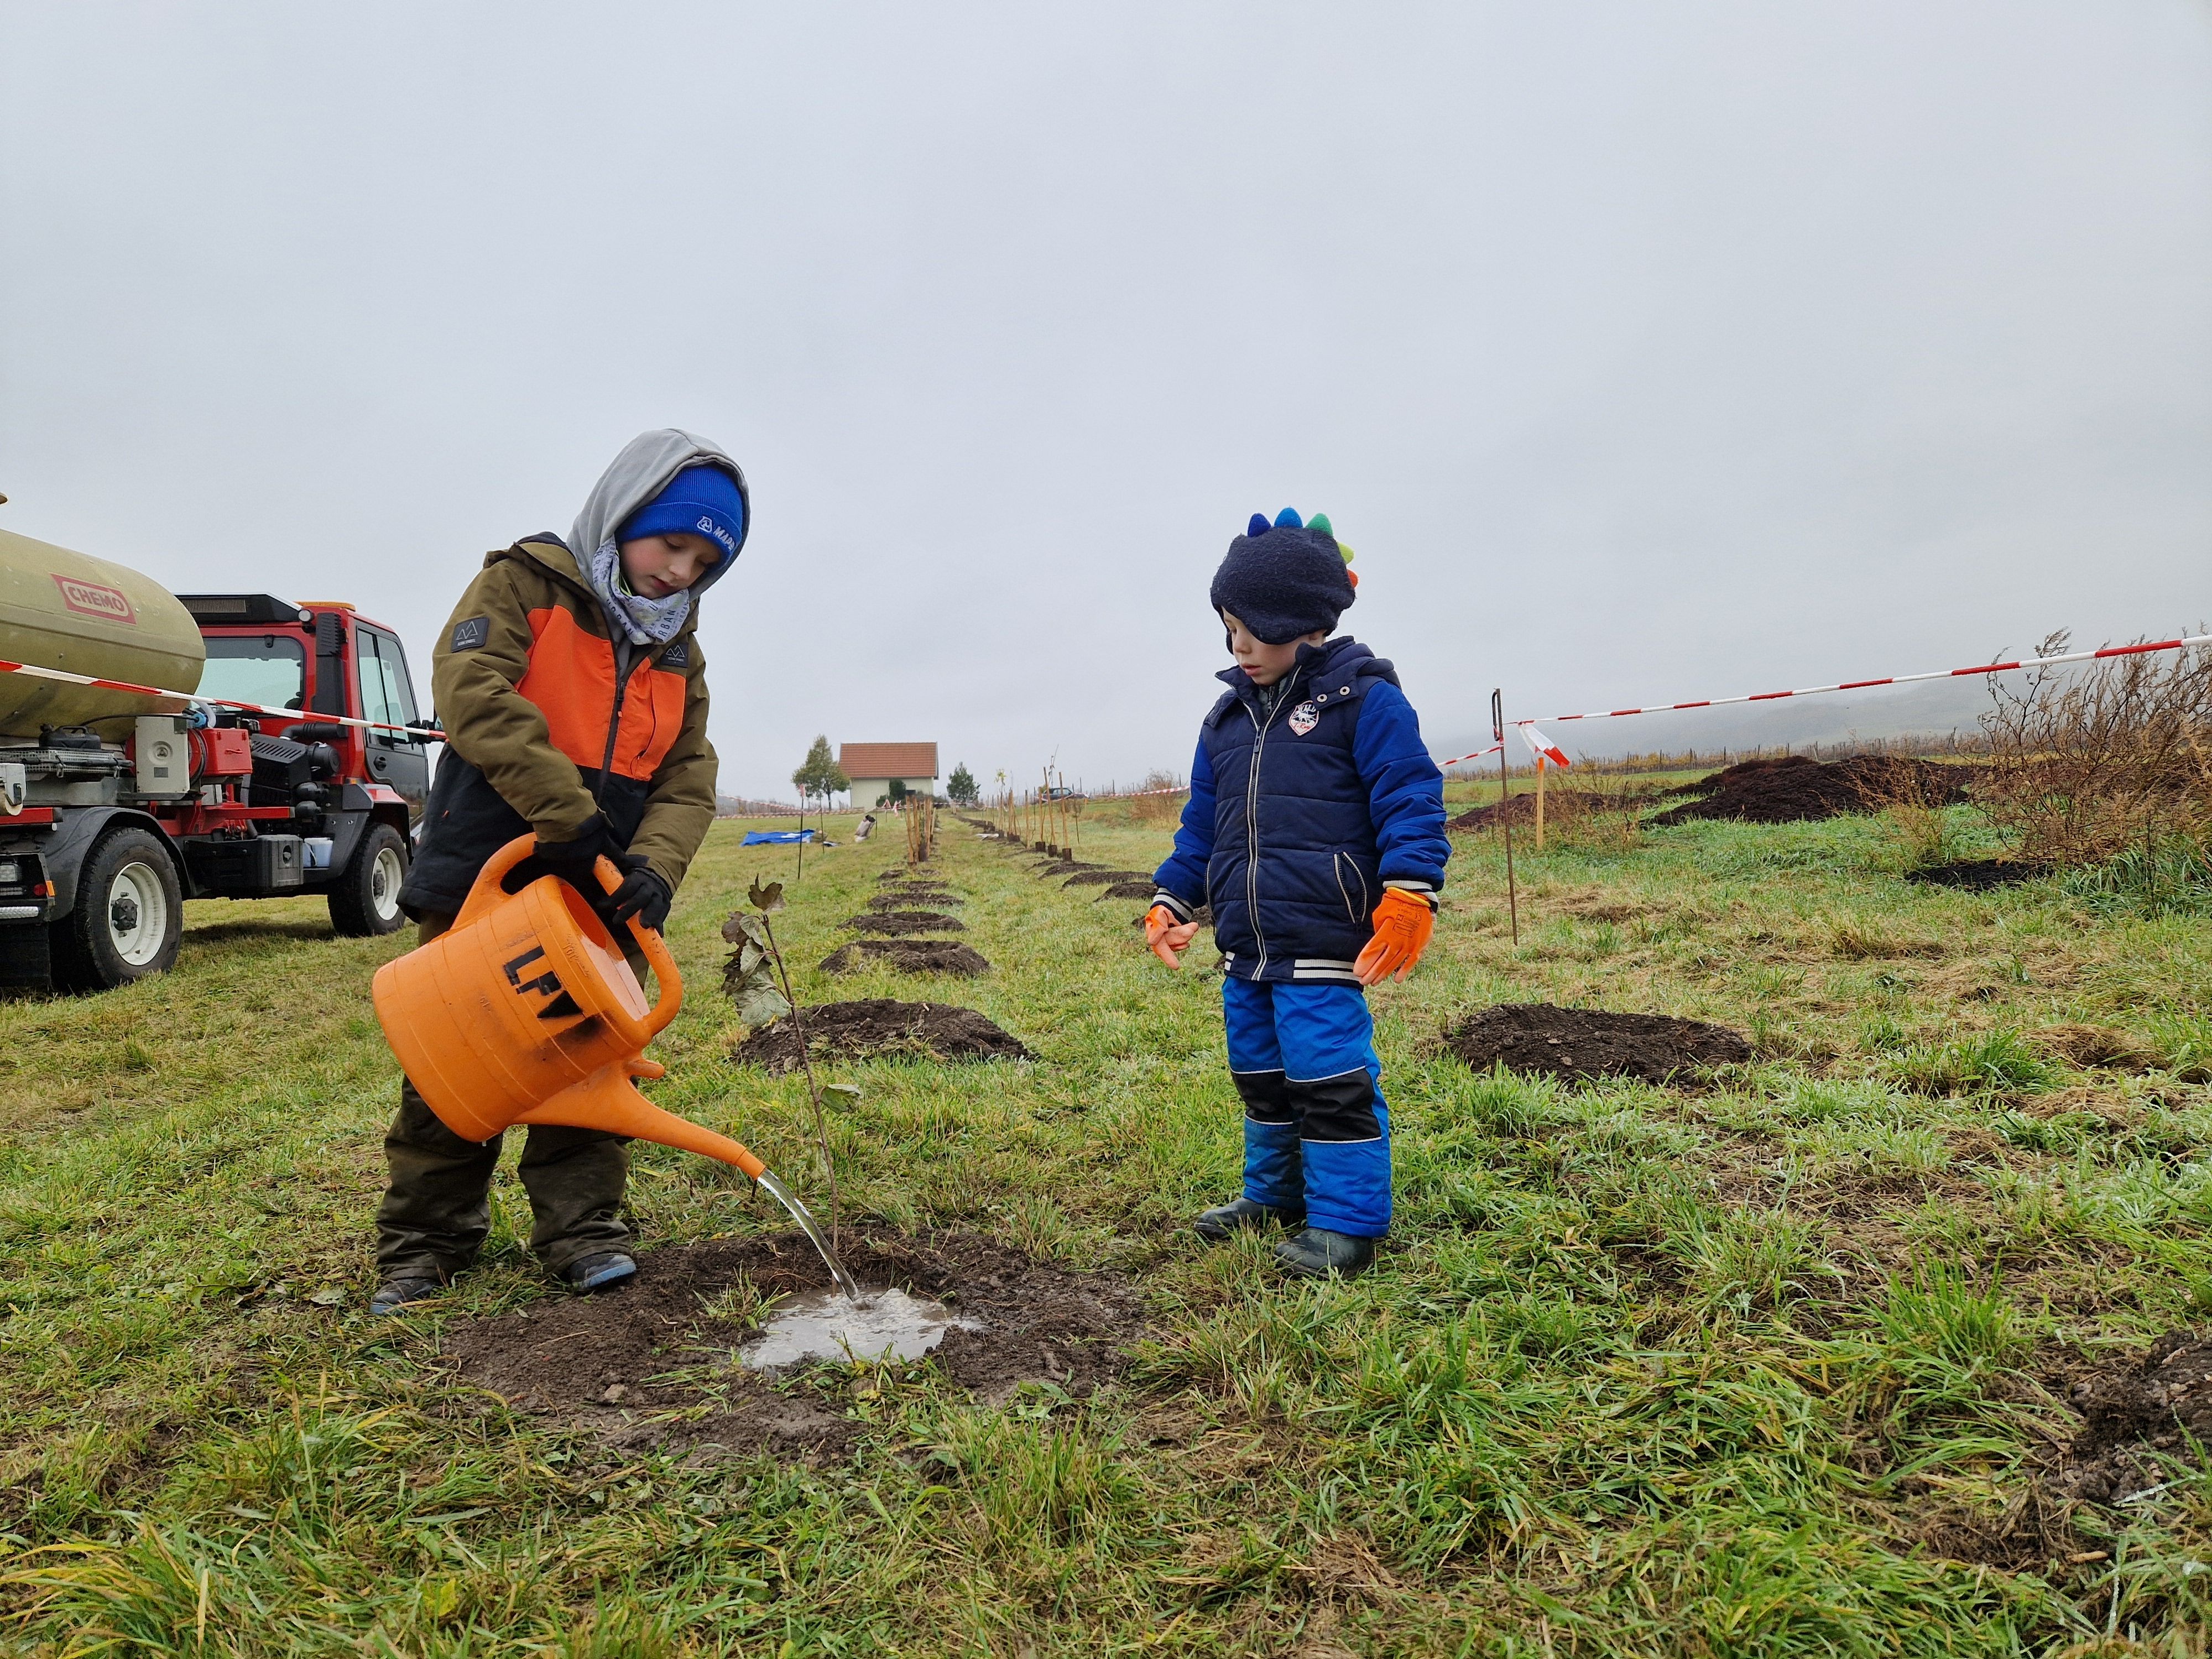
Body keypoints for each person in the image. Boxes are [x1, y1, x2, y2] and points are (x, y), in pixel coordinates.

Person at [370, 430, 747, 1315]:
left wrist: (651, 865)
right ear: (625, 516)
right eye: (671, 543)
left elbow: (689, 774)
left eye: (704, 561)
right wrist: (566, 816)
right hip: (489, 872)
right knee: (458, 1057)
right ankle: (425, 1244)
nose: (680, 572)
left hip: (599, 890)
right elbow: (472, 691)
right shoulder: (523, 585)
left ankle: (582, 1233)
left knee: (591, 1057)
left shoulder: (680, 655)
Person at [1144, 508, 1448, 1278]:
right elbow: (1202, 827)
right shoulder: (1225, 721)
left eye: (1252, 629)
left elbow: (1410, 795)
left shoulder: (1363, 701)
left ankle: (1347, 1227)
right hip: (1247, 948)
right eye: (1227, 629)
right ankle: (1272, 1196)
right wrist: (1173, 900)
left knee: (1328, 1081)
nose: (1238, 646)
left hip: (1321, 939)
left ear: (1305, 621)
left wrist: (1411, 893)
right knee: (1262, 1079)